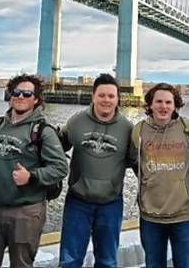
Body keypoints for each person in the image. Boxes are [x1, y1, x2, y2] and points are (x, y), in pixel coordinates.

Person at [0, 74, 68, 268]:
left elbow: (60, 167)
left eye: (27, 93)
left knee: (21, 264)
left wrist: (32, 176)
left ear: (35, 99)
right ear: (10, 96)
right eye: (16, 92)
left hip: (26, 212)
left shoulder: (43, 131)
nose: (20, 97)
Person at [58, 73, 134, 268]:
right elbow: (56, 148)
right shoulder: (76, 121)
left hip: (111, 203)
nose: (106, 100)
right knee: (70, 260)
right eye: (101, 95)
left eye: (111, 96)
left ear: (118, 99)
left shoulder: (127, 129)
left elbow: (137, 164)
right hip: (78, 201)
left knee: (107, 261)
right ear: (93, 96)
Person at [128, 83, 189, 268]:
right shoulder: (139, 131)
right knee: (153, 264)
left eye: (168, 102)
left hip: (184, 216)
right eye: (158, 101)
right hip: (151, 216)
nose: (163, 106)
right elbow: (132, 161)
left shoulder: (188, 128)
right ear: (150, 105)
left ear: (175, 105)